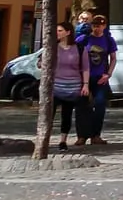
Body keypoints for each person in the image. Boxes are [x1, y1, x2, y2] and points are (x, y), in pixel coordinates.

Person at [76, 13, 117, 149]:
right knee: (82, 106)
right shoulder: (84, 39)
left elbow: (113, 58)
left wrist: (108, 74)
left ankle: (95, 135)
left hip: (101, 77)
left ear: (104, 26)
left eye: (99, 26)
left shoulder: (108, 40)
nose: (96, 29)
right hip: (84, 78)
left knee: (99, 105)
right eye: (94, 26)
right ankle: (82, 136)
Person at [46, 26, 90, 149]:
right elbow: (42, 63)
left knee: (67, 114)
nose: (57, 33)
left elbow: (86, 68)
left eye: (60, 31)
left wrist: (85, 85)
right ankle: (46, 139)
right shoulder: (52, 47)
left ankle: (63, 141)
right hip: (55, 86)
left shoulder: (80, 49)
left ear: (68, 32)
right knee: (49, 114)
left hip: (72, 86)